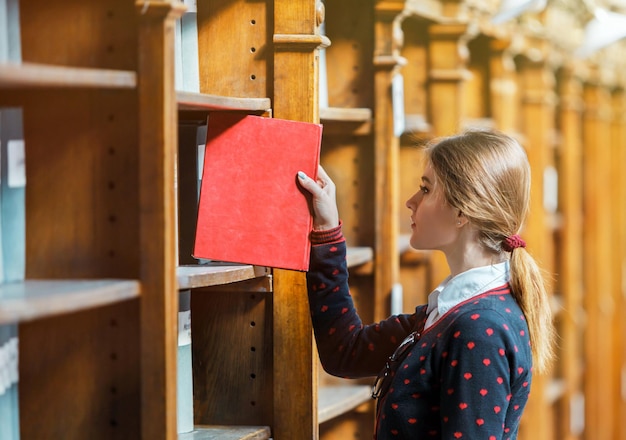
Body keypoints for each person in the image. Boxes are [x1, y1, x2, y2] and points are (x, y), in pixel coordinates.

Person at [297, 129, 556, 439]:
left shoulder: (478, 325)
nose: (411, 202)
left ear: (463, 210)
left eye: (425, 189)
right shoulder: (455, 311)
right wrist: (327, 230)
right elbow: (346, 351)